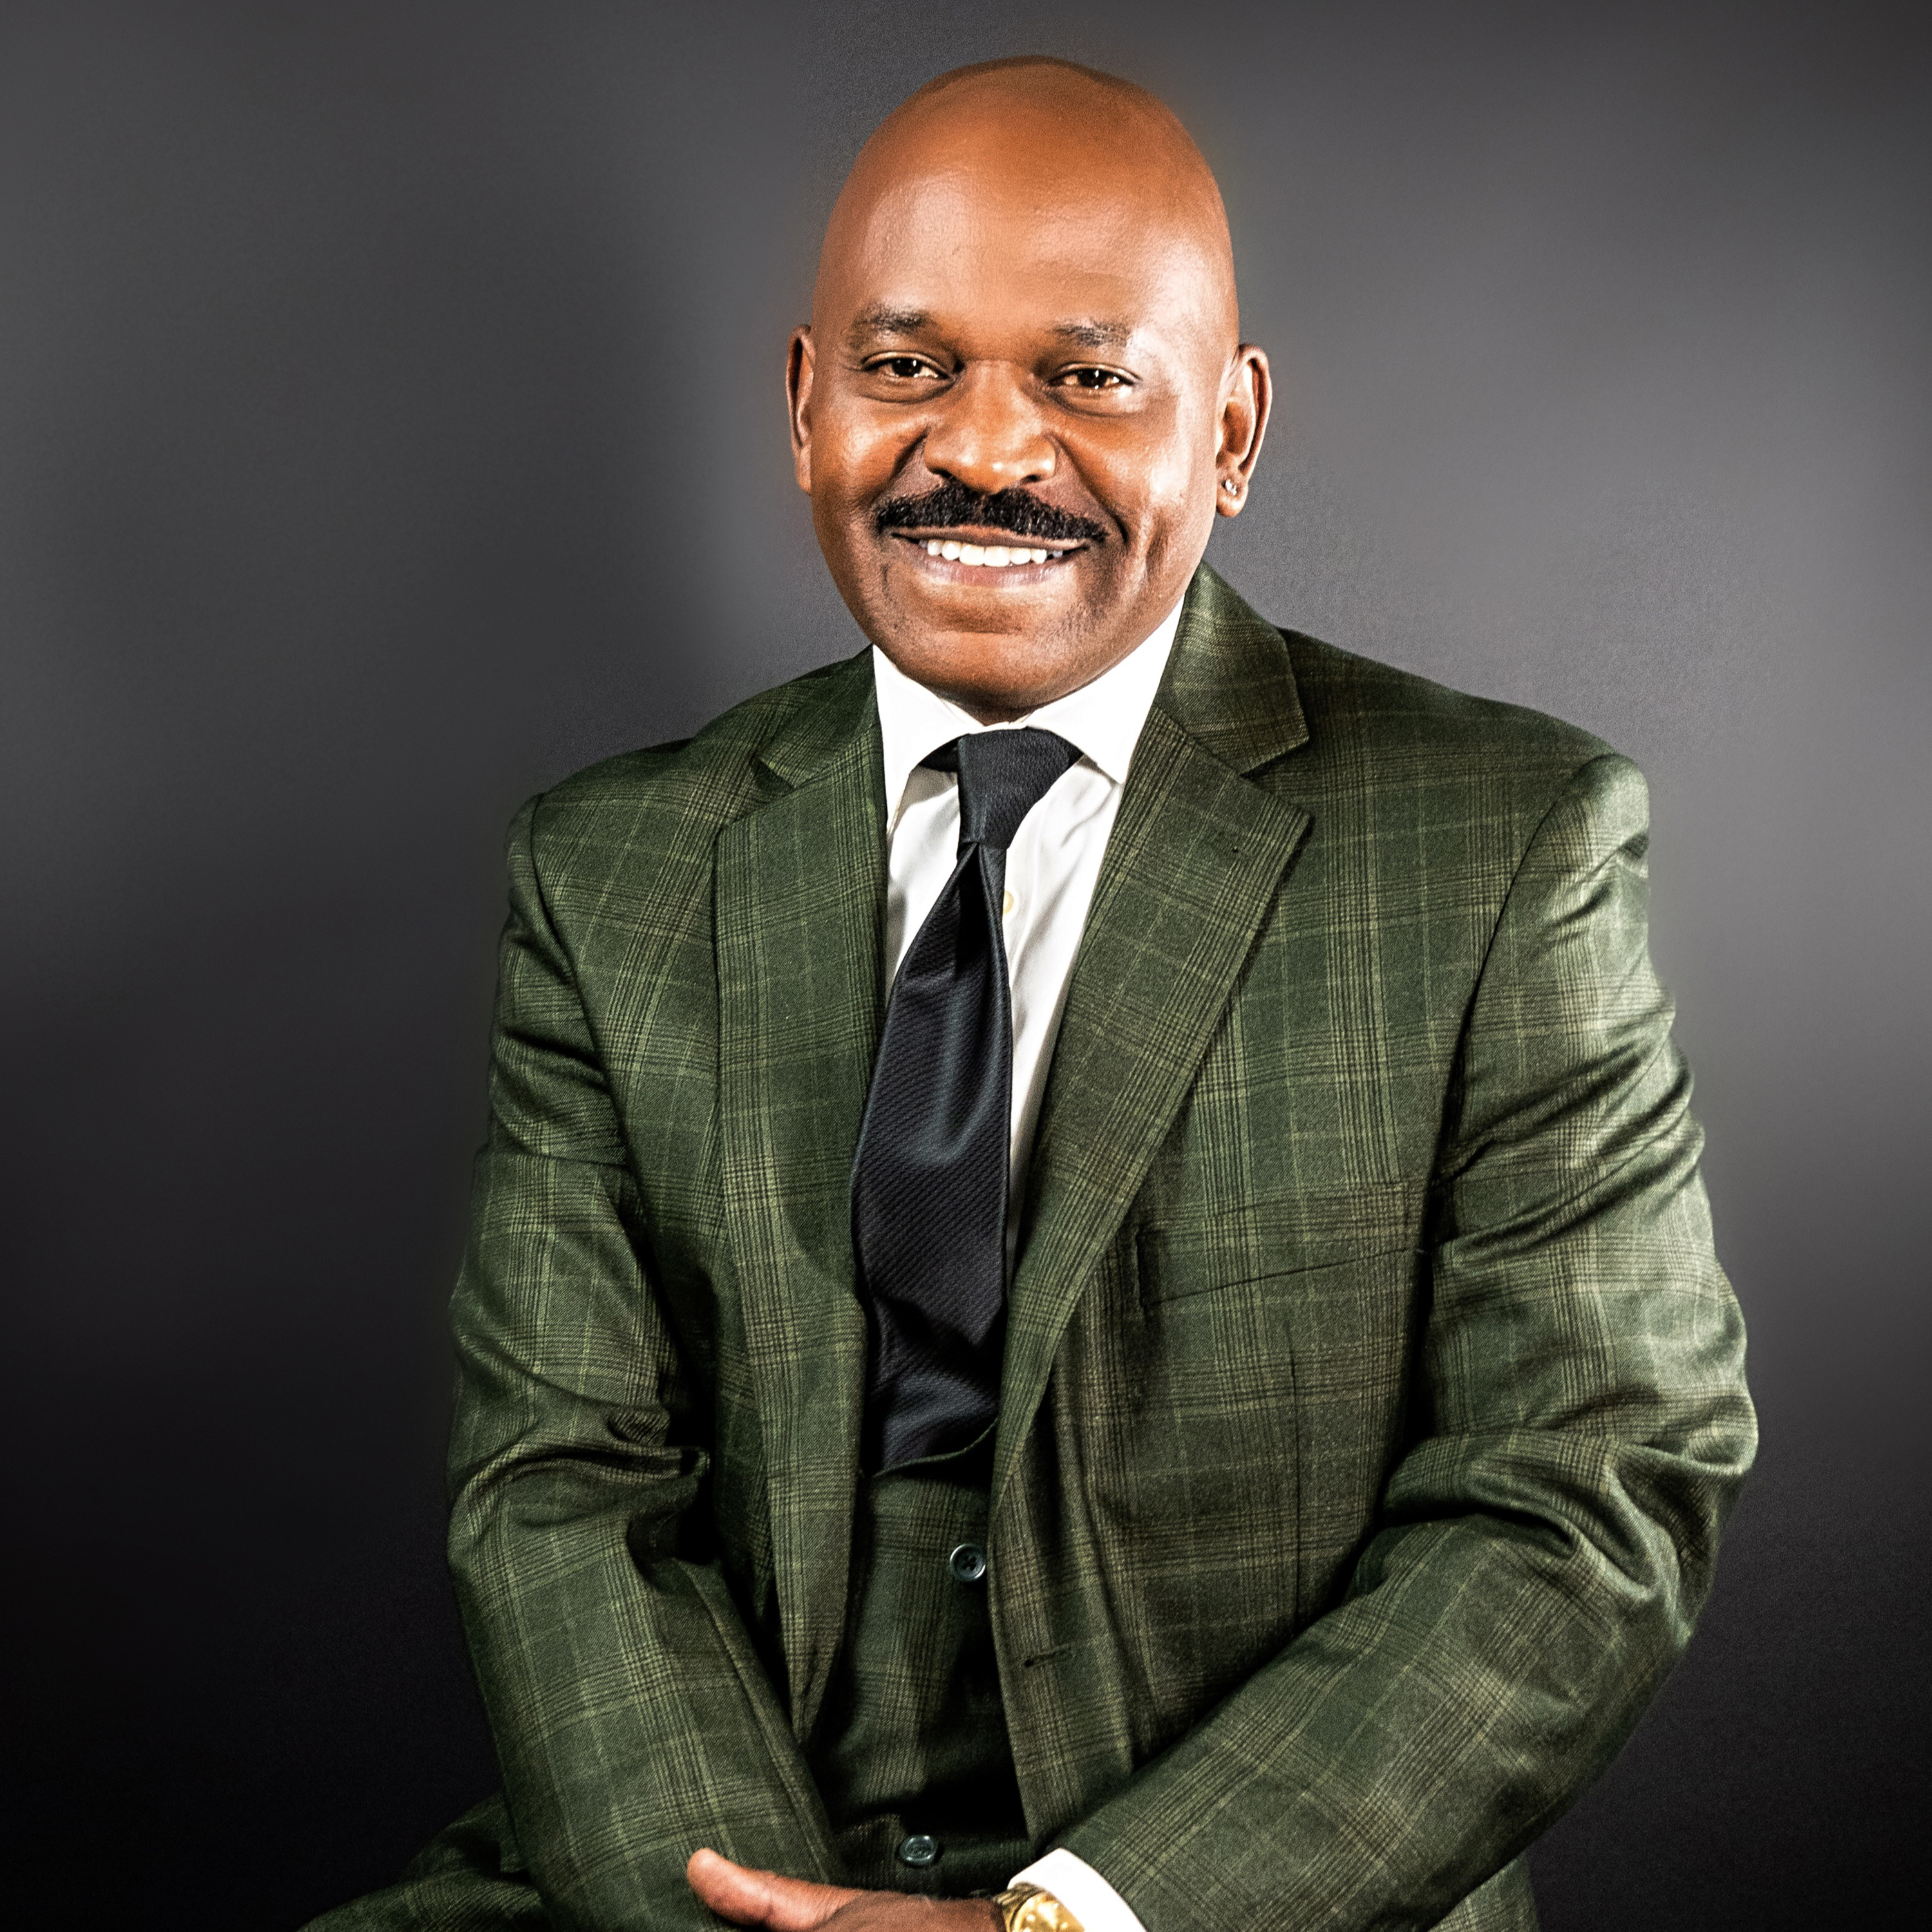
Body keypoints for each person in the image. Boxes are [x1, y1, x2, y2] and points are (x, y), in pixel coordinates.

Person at [310, 55, 1755, 1932]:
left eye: (1088, 378)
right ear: (806, 402)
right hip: (708, 1874)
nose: (985, 449)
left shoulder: (1503, 849)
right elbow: (562, 1487)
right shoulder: (609, 873)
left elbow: (1589, 1486)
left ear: (1231, 432)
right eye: (908, 366)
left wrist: (1074, 1921)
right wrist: (747, 1914)